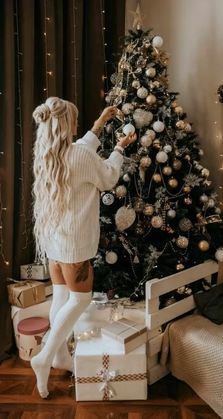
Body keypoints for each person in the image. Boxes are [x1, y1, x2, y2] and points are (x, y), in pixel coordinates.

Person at [31, 96, 136, 398]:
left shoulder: (48, 153)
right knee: (79, 299)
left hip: (55, 239)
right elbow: (107, 177)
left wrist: (99, 124)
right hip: (75, 243)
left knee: (61, 296)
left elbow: (82, 148)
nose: (78, 126)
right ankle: (45, 356)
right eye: (75, 121)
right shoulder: (79, 157)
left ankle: (61, 356)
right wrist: (119, 148)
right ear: (66, 125)